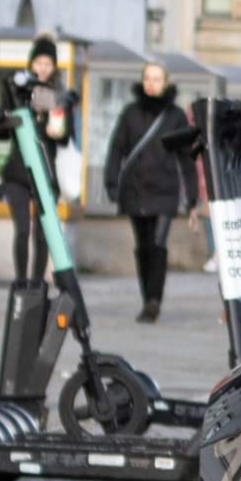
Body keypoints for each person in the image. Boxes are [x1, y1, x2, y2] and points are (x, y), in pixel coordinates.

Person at [104, 61, 195, 322]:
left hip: (164, 190)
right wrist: (111, 182)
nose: (151, 83)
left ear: (165, 82)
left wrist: (191, 197)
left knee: (157, 244)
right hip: (135, 189)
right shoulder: (131, 113)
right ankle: (147, 298)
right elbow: (117, 149)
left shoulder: (175, 116)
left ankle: (154, 300)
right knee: (142, 246)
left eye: (156, 78)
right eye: (147, 78)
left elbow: (186, 156)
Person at [0, 35, 75, 284]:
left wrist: (58, 131)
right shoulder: (17, 92)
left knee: (43, 233)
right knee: (22, 229)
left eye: (48, 64)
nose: (42, 68)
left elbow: (64, 139)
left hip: (45, 172)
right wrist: (14, 120)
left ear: (54, 67)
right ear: (31, 64)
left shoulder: (60, 96)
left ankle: (37, 281)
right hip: (18, 172)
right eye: (38, 62)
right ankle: (20, 280)